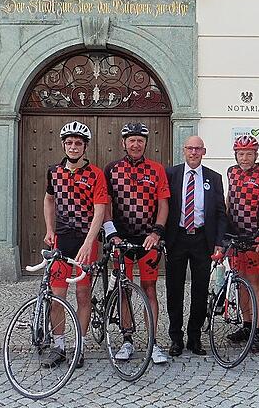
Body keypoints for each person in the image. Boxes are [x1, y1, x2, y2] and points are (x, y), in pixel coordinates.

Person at [103, 122, 170, 365]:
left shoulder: (156, 169)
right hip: (121, 241)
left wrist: (157, 233)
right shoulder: (111, 169)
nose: (135, 144)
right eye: (131, 139)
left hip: (147, 241)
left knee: (150, 289)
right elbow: (105, 205)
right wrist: (112, 234)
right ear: (123, 142)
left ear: (145, 143)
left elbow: (163, 204)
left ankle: (152, 341)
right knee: (124, 289)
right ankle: (127, 339)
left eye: (140, 140)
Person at [43, 121, 108, 368]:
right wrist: (49, 229)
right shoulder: (53, 171)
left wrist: (89, 242)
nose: (73, 147)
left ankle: (79, 345)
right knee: (58, 295)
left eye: (78, 143)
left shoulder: (95, 174)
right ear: (63, 145)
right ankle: (58, 345)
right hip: (61, 240)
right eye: (69, 143)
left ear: (85, 147)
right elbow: (49, 200)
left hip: (85, 242)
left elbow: (100, 210)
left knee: (82, 295)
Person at [165, 136, 228, 356]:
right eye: (190, 148)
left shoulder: (214, 178)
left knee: (200, 291)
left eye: (198, 149)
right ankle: (175, 338)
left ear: (204, 151)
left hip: (203, 240)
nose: (193, 152)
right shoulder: (171, 174)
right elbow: (162, 207)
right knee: (174, 290)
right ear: (184, 150)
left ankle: (194, 338)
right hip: (177, 239)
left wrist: (220, 242)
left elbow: (221, 213)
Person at [224, 135, 259, 353]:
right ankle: (246, 325)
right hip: (234, 237)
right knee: (240, 281)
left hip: (254, 238)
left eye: (249, 154)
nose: (244, 158)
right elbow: (229, 201)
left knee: (254, 283)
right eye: (240, 154)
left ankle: (256, 330)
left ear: (256, 155)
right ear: (235, 154)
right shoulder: (231, 172)